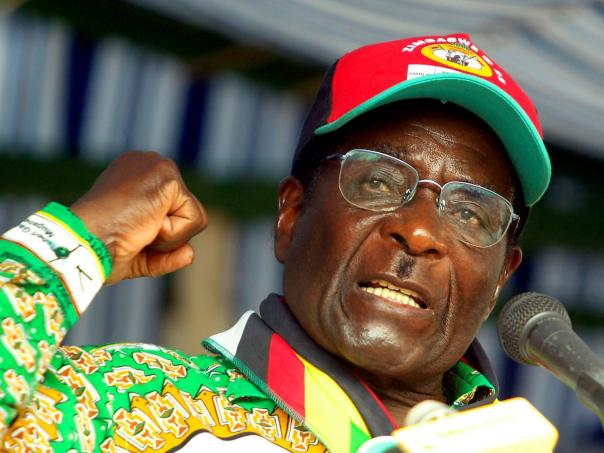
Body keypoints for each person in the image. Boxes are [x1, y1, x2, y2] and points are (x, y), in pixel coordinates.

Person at [0, 33, 550, 452]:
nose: (421, 231)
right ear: (291, 215)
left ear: (501, 277)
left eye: (470, 212)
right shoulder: (124, 405)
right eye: (379, 182)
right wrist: (74, 240)